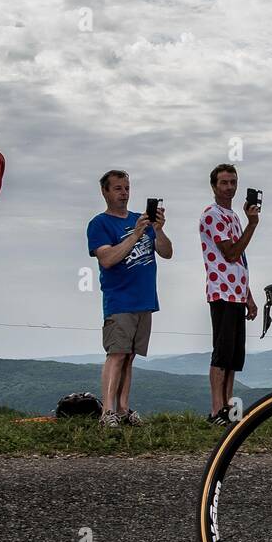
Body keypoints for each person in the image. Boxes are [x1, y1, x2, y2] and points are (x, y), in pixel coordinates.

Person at [86, 169, 173, 427]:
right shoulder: (99, 224)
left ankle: (123, 409)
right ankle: (107, 412)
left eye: (126, 188)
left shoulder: (142, 220)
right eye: (117, 188)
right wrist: (135, 235)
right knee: (117, 354)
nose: (124, 193)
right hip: (119, 300)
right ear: (105, 192)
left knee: (130, 356)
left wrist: (158, 230)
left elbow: (167, 252)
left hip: (144, 300)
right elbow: (107, 259)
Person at [199, 163, 259, 426]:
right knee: (221, 354)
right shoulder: (212, 214)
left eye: (233, 182)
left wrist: (248, 295)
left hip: (236, 292)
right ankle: (216, 410)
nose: (229, 187)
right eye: (224, 182)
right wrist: (253, 224)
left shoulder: (233, 216)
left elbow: (240, 260)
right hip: (221, 291)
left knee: (234, 357)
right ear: (214, 186)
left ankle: (228, 408)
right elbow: (231, 253)